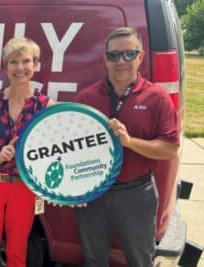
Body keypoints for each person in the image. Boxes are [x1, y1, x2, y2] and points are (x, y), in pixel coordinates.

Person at [74, 27, 180, 267]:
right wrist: (74, 187)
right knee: (93, 260)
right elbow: (73, 150)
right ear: (105, 59)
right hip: (94, 193)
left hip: (136, 194)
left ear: (141, 57)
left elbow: (170, 149)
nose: (121, 61)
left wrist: (130, 142)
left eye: (129, 54)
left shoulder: (157, 97)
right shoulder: (86, 99)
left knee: (139, 261)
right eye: (114, 55)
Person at [0, 37, 55, 267]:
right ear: (6, 66)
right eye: (13, 62)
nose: (20, 68)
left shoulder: (46, 106)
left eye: (26, 61)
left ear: (36, 65)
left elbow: (54, 153)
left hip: (23, 186)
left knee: (17, 252)